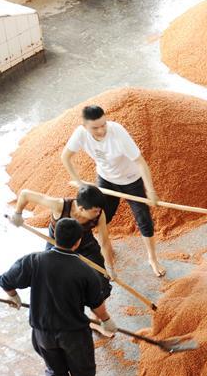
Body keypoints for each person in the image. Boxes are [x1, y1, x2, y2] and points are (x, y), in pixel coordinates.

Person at [0, 218, 116, 376]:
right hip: (74, 334)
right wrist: (106, 320)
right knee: (83, 367)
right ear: (78, 242)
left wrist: (13, 295)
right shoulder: (85, 271)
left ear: (54, 237)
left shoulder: (33, 261)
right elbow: (97, 304)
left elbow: (5, 280)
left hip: (42, 332)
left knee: (54, 369)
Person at [61, 105, 165, 277]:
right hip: (105, 180)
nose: (101, 130)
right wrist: (79, 183)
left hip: (131, 180)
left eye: (104, 124)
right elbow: (65, 156)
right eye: (95, 127)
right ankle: (104, 250)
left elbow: (140, 162)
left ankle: (152, 258)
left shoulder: (118, 133)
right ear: (85, 126)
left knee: (144, 220)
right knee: (99, 216)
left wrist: (151, 191)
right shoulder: (80, 134)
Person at [8, 184, 115, 298]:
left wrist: (109, 267)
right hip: (58, 243)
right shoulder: (60, 206)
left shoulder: (99, 215)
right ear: (81, 208)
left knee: (100, 282)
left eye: (99, 210)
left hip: (84, 242)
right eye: (95, 211)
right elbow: (25, 194)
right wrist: (17, 214)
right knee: (53, 277)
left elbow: (104, 242)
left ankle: (99, 313)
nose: (98, 213)